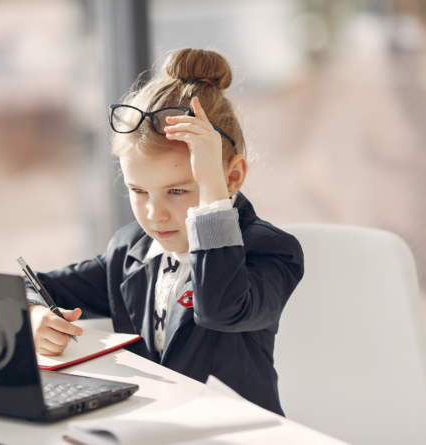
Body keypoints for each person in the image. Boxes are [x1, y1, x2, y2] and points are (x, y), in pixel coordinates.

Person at [25, 48, 304, 415]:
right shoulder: (130, 250)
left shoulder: (272, 250)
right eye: (138, 191)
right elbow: (31, 287)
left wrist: (211, 199)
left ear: (231, 178)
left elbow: (221, 310)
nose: (154, 214)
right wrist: (33, 317)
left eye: (178, 191)